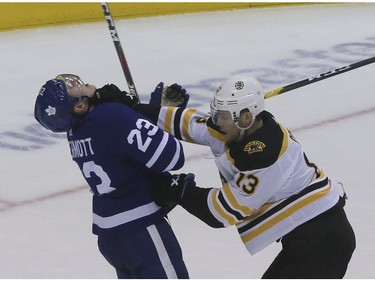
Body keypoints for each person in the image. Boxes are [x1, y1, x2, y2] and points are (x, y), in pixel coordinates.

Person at [140, 75, 356, 278]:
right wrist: (139, 110)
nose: (216, 121)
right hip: (309, 238)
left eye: (222, 116)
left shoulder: (265, 157)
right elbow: (191, 125)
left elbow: (221, 211)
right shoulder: (238, 129)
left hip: (324, 242)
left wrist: (180, 190)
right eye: (217, 113)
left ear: (245, 117)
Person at [33, 74, 189, 279]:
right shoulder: (112, 116)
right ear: (78, 107)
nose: (74, 82)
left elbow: (121, 149)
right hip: (141, 231)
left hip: (112, 238)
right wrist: (134, 113)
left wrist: (144, 117)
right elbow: (172, 157)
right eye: (68, 88)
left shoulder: (77, 131)